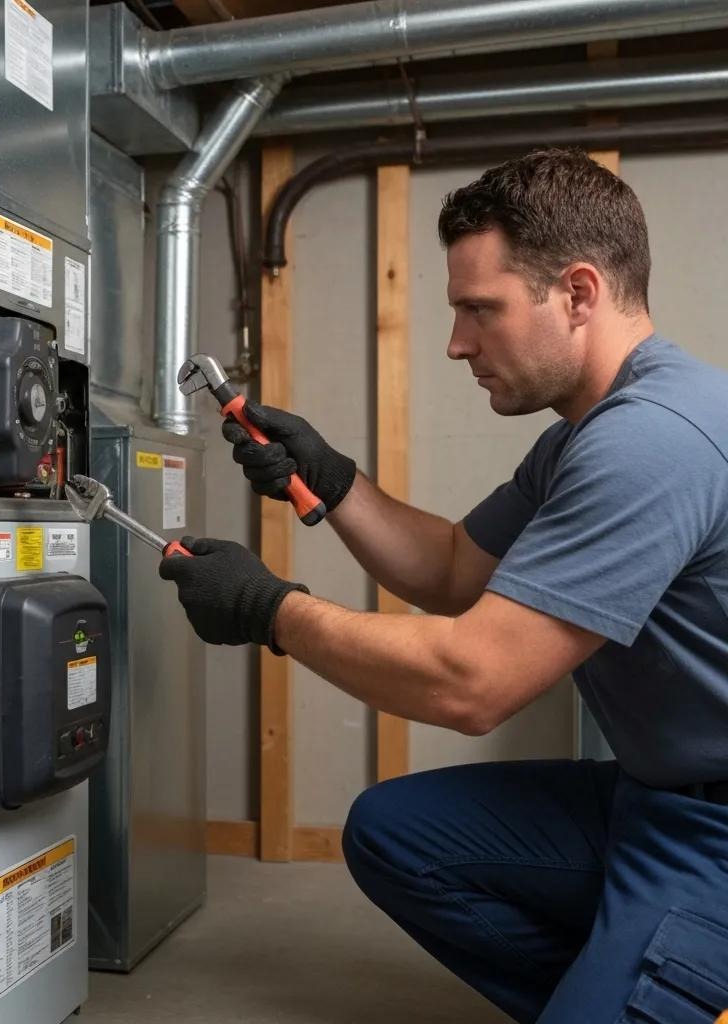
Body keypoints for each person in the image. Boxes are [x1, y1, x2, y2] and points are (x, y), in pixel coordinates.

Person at [157, 148, 728, 1023]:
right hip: (652, 799)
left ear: (578, 293)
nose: (459, 341)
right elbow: (457, 569)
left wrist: (269, 610)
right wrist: (335, 481)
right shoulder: (586, 433)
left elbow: (473, 682)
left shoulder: (650, 442)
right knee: (398, 833)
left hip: (717, 836)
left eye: (479, 310)